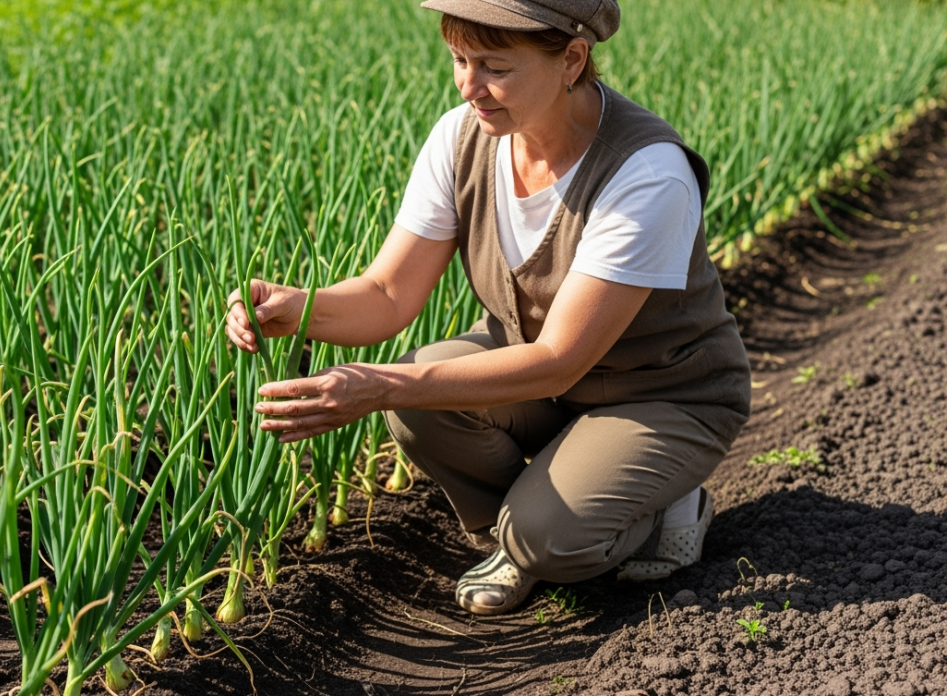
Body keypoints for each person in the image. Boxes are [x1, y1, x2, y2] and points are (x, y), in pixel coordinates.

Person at [225, 0, 751, 616]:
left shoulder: (646, 172)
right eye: (458, 59)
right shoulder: (461, 137)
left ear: (572, 60)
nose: (468, 85)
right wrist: (299, 307)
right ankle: (517, 536)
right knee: (424, 400)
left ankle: (649, 512)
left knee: (548, 535)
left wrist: (381, 385)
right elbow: (388, 295)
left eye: (494, 67)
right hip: (543, 383)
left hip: (661, 394)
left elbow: (559, 360)